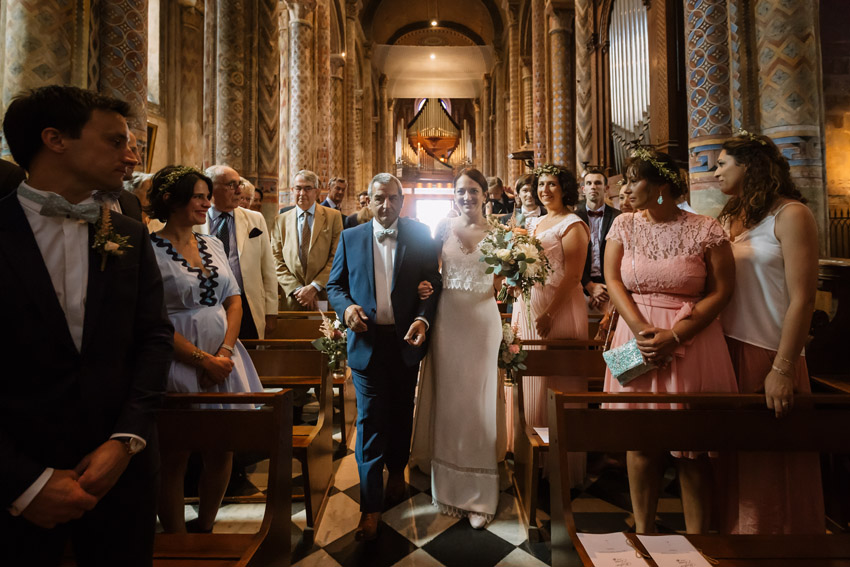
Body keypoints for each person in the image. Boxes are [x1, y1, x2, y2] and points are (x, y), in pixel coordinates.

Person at [0, 85, 173, 566]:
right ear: (56, 140)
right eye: (115, 141)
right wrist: (24, 483)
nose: (131, 154)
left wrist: (125, 441)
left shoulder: (128, 234)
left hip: (123, 474)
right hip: (18, 481)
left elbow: (154, 339)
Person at [603, 149, 737, 534]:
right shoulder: (624, 225)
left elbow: (723, 290)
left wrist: (676, 334)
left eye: (633, 179)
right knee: (639, 442)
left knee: (691, 449)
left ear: (661, 187)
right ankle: (643, 531)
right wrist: (640, 329)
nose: (625, 187)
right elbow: (613, 279)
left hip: (692, 338)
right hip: (635, 335)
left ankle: (699, 542)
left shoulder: (706, 228)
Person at [715, 133, 823, 534]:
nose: (716, 171)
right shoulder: (729, 218)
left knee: (770, 465)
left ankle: (777, 546)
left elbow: (803, 300)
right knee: (735, 459)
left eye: (722, 163)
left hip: (769, 350)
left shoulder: (792, 215)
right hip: (727, 348)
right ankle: (734, 543)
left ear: (748, 166)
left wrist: (782, 368)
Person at [146, 165, 263, 534]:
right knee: (175, 453)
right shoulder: (150, 249)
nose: (206, 202)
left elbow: (234, 299)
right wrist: (201, 360)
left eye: (206, 195)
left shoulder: (211, 242)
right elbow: (152, 318)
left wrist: (225, 353)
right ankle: (178, 537)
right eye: (198, 196)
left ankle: (207, 526)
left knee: (222, 447)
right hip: (176, 361)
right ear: (171, 199)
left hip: (226, 358)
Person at [326, 172, 441, 541]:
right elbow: (335, 285)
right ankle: (370, 509)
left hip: (405, 342)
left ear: (401, 200)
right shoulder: (350, 237)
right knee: (371, 422)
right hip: (368, 345)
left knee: (401, 413)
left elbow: (433, 282)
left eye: (392, 198)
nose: (386, 205)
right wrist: (345, 311)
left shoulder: (420, 236)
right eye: (379, 198)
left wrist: (423, 316)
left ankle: (396, 471)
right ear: (369, 200)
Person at [410, 168, 503, 529]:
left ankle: (481, 494)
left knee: (479, 401)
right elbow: (429, 272)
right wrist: (422, 287)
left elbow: (504, 278)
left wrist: (513, 272)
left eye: (474, 191)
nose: (468, 197)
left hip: (482, 321)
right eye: (461, 191)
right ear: (454, 195)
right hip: (448, 321)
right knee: (451, 401)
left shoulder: (500, 233)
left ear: (485, 194)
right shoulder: (442, 230)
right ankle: (447, 486)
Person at [510, 164, 590, 483]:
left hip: (559, 309)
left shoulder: (573, 225)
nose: (545, 190)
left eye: (552, 184)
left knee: (558, 383)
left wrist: (550, 313)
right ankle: (535, 465)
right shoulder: (538, 221)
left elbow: (572, 277)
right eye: (541, 184)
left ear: (565, 188)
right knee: (532, 383)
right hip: (531, 307)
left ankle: (562, 469)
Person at [202, 165, 278, 339]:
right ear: (211, 188)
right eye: (231, 185)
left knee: (249, 359)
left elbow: (268, 269)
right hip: (208, 303)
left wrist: (271, 311)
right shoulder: (196, 221)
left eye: (239, 185)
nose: (238, 191)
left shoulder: (254, 219)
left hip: (247, 303)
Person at [271, 169, 343, 311]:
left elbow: (336, 257)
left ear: (317, 191)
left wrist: (314, 287)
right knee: (292, 333)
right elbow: (276, 259)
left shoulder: (333, 217)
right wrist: (298, 289)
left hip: (321, 295)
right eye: (298, 188)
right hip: (292, 296)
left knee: (323, 333)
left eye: (307, 188)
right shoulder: (281, 220)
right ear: (292, 190)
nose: (302, 193)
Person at [576, 168, 621, 311]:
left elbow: (621, 256)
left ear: (606, 188)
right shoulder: (573, 218)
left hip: (610, 288)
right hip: (579, 286)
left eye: (597, 183)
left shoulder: (618, 217)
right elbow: (571, 256)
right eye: (589, 183)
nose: (593, 187)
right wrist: (588, 285)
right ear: (583, 189)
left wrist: (605, 289)